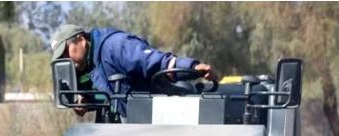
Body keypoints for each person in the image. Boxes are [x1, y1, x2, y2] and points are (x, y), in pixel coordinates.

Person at [50, 24, 216, 118]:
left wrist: (191, 67)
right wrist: (85, 102)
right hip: (127, 129)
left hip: (159, 119)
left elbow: (155, 62)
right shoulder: (85, 67)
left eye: (66, 52)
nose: (67, 59)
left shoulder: (114, 46)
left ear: (81, 40)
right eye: (61, 57)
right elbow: (105, 96)